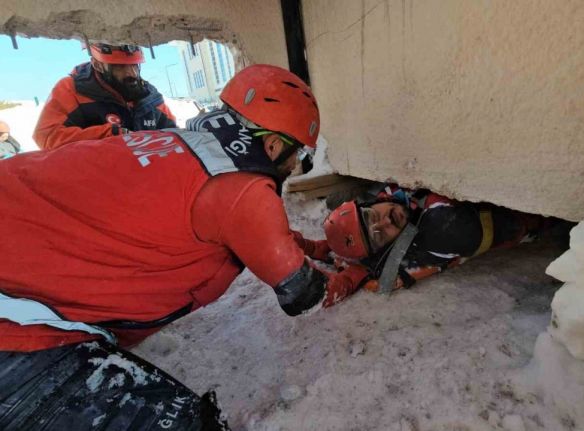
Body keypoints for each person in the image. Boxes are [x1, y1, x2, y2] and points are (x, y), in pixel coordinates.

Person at [0, 64, 367, 429]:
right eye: (299, 157)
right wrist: (354, 275)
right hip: (14, 316)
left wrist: (318, 248)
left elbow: (256, 232)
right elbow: (306, 293)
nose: (297, 167)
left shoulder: (182, 143)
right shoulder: (243, 191)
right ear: (273, 145)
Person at [324, 184, 551, 292]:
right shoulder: (439, 231)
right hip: (536, 213)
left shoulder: (391, 203)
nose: (387, 221)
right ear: (389, 247)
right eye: (379, 234)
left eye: (374, 215)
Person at [33, 43, 176, 150]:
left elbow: (176, 136)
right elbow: (46, 137)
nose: (131, 74)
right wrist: (111, 135)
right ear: (98, 65)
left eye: (134, 65)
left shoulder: (150, 97)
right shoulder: (72, 90)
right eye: (120, 67)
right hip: (95, 181)